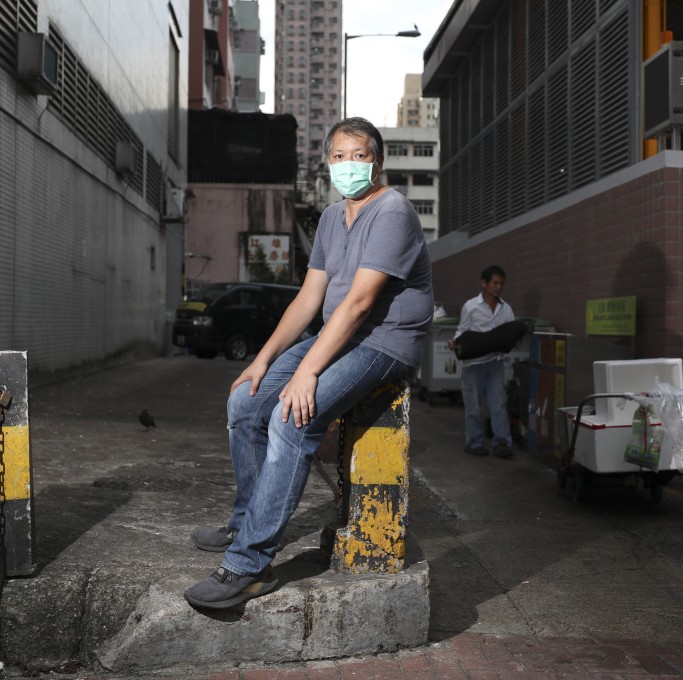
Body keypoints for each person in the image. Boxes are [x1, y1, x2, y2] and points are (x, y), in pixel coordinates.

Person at [183, 118, 434, 610]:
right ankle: (246, 519)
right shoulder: (329, 218)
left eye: (358, 155)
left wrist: (306, 372)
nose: (348, 165)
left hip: (385, 341)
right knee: (246, 400)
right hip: (338, 335)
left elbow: (360, 303)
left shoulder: (393, 212)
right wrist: (263, 360)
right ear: (327, 163)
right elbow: (308, 299)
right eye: (338, 156)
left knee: (291, 417)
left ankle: (249, 565)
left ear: (377, 162)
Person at [447, 265, 515, 458]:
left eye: (501, 283)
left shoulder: (506, 308)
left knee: (498, 404)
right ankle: (474, 442)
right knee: (474, 406)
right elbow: (462, 330)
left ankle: (502, 443)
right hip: (473, 364)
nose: (499, 287)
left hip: (495, 363)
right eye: (495, 283)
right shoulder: (470, 306)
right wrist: (455, 342)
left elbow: (510, 331)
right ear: (483, 283)